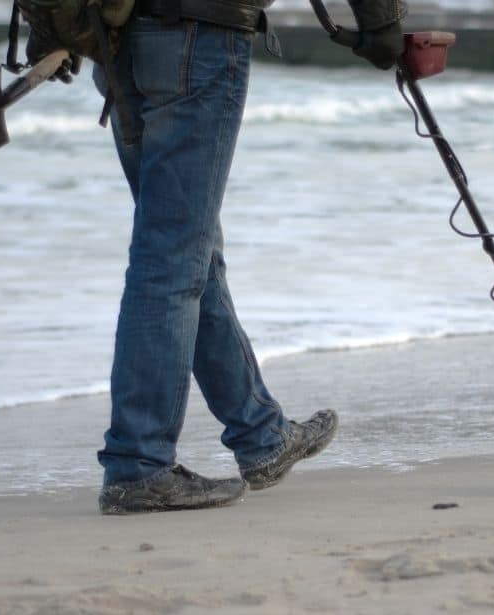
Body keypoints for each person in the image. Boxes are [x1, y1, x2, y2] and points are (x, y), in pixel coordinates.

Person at [20, 0, 407, 514]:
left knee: (188, 251)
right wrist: (382, 21)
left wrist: (50, 24)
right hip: (200, 36)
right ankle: (138, 465)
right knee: (173, 258)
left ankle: (261, 435)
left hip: (116, 42)